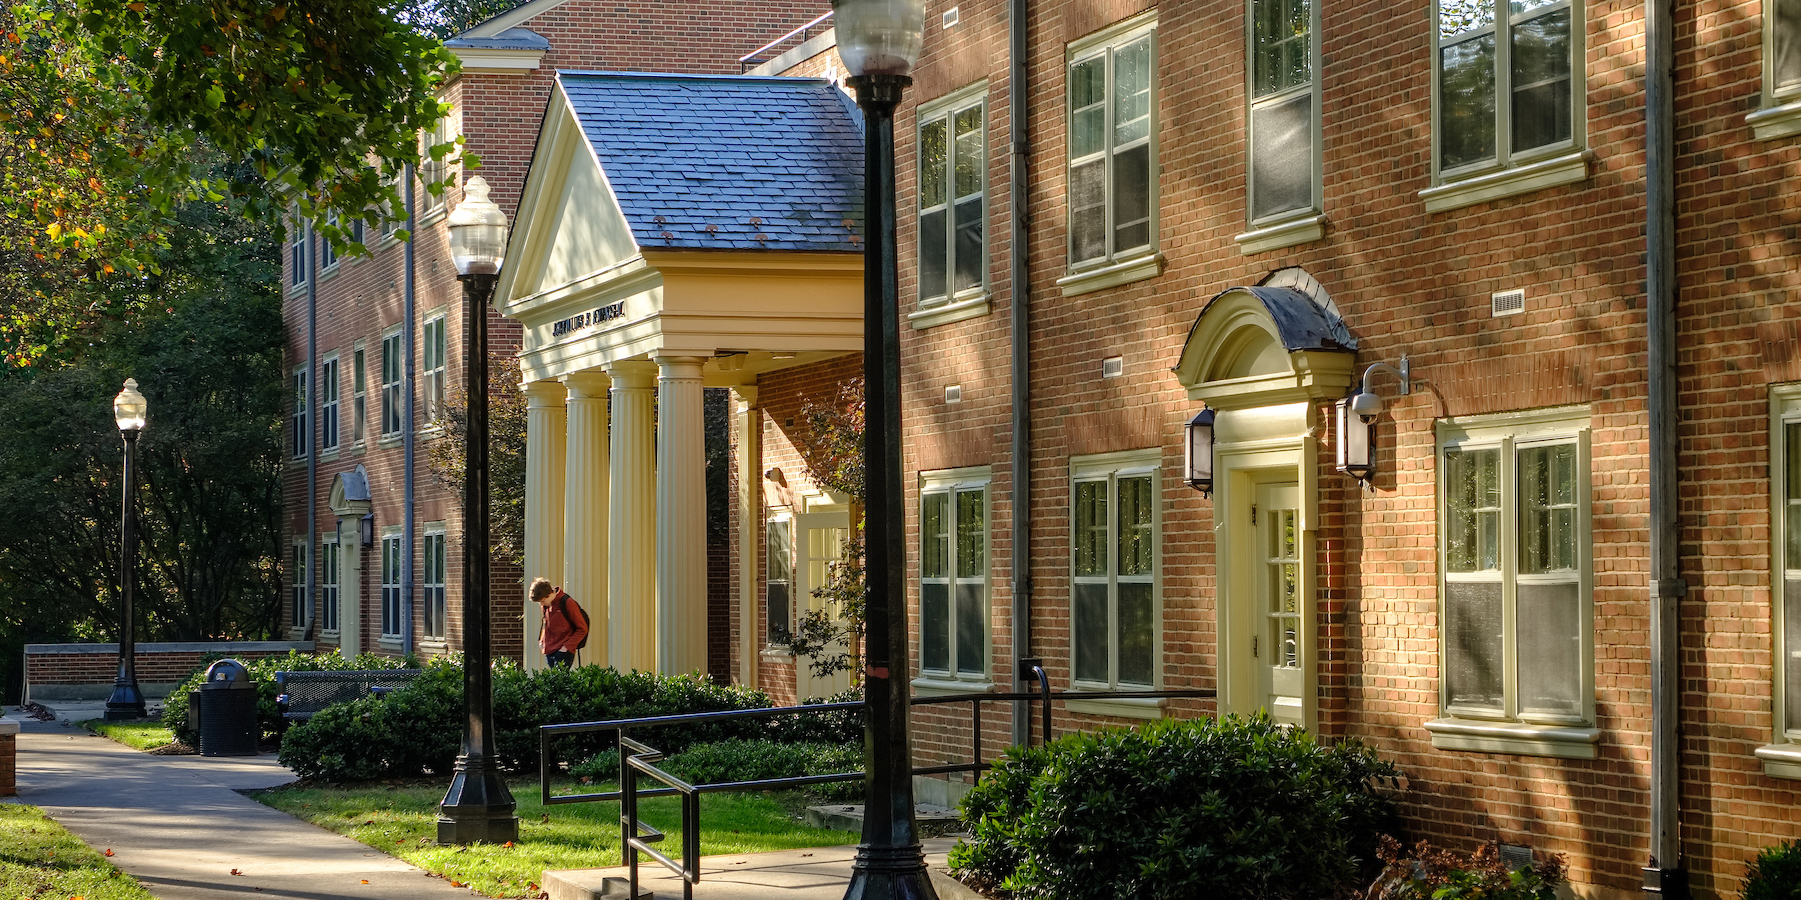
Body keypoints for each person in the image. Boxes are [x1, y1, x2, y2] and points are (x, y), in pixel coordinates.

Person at [533, 577, 587, 669]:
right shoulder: (546, 606)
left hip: (563, 651)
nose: (541, 604)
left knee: (560, 681)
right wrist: (542, 641)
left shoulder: (567, 603)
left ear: (549, 595)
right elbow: (545, 624)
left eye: (542, 601)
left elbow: (582, 628)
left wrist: (566, 647)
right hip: (549, 650)